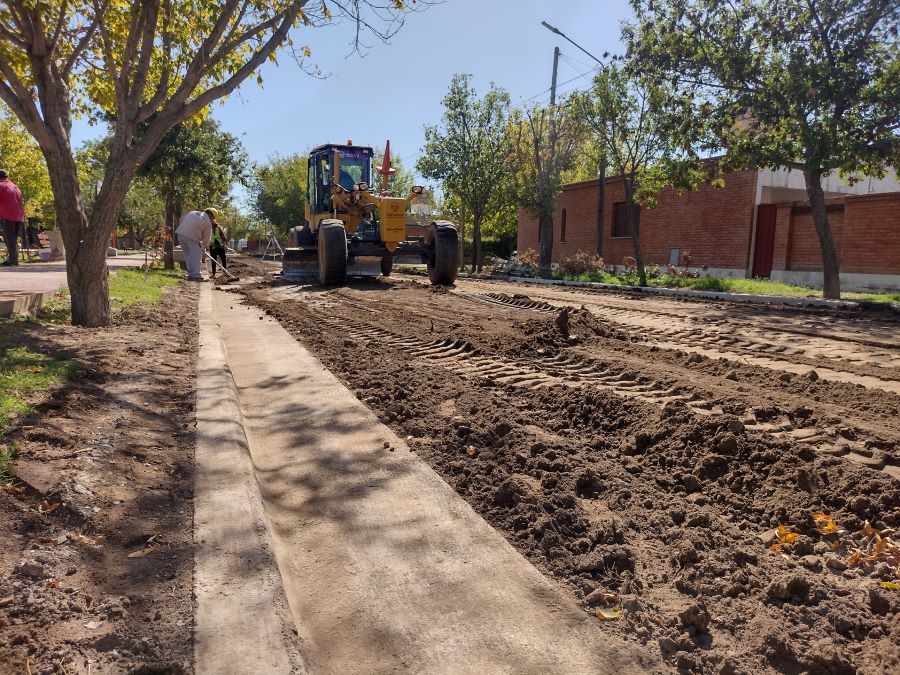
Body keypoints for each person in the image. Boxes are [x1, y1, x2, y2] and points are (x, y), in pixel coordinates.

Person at [175, 208, 215, 280]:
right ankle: (196, 275)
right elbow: (207, 238)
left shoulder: (193, 212)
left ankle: (191, 274)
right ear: (210, 215)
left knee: (188, 256)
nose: (213, 220)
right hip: (191, 238)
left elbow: (182, 220)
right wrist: (204, 247)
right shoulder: (207, 222)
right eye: (213, 218)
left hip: (181, 235)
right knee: (197, 256)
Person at [0, 170, 25, 266]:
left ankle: (13, 259)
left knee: (9, 237)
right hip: (18, 216)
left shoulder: (1, 185)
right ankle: (13, 257)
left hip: (7, 215)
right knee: (13, 238)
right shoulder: (14, 186)